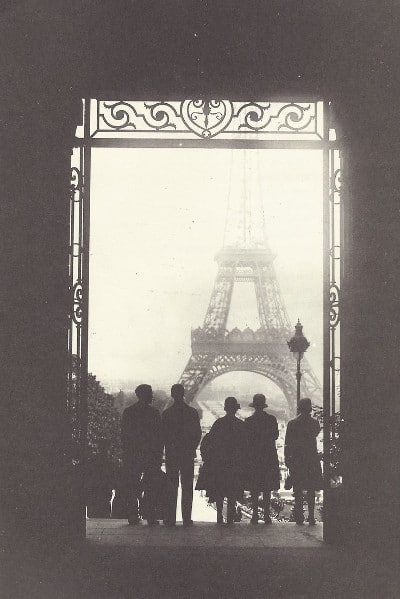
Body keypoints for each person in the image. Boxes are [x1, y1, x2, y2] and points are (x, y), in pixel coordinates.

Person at [121, 384, 162, 526]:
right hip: (150, 455)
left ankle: (133, 515)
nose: (152, 396)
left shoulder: (128, 412)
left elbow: (124, 436)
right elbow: (158, 437)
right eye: (150, 393)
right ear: (145, 395)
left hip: (133, 454)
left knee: (132, 485)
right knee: (150, 486)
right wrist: (158, 455)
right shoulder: (154, 413)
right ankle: (150, 515)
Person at [162, 383, 202, 527]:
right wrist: (191, 448)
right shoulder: (192, 413)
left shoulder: (166, 414)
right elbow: (197, 434)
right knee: (187, 487)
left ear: (172, 395)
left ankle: (171, 518)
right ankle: (186, 518)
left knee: (171, 487)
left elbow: (163, 436)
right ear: (184, 394)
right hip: (187, 454)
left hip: (172, 454)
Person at [206, 397, 246, 524]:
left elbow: (210, 442)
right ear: (235, 409)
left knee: (220, 490)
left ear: (225, 409)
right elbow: (245, 445)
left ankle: (219, 516)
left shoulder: (218, 424)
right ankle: (230, 517)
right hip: (235, 462)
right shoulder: (241, 425)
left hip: (220, 462)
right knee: (232, 491)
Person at [284, 397, 323, 525]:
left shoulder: (292, 424)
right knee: (311, 489)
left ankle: (299, 516)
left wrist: (288, 460)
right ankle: (311, 516)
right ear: (310, 408)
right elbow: (316, 433)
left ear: (299, 408)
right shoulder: (314, 423)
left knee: (298, 489)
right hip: (311, 459)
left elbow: (288, 444)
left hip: (297, 459)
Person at [244, 393, 280, 524]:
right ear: (264, 405)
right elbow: (275, 436)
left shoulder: (248, 421)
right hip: (268, 456)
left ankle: (254, 515)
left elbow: (246, 441)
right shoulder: (271, 420)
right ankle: (266, 515)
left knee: (254, 487)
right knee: (267, 487)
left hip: (254, 457)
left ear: (254, 406)